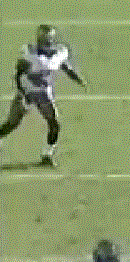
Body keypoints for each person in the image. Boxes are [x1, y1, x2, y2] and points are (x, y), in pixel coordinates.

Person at [0, 24, 86, 166]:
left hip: (44, 95)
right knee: (11, 124)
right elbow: (18, 74)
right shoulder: (30, 54)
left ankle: (47, 155)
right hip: (28, 93)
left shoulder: (58, 52)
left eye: (49, 38)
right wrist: (23, 93)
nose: (48, 41)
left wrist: (77, 78)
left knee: (54, 123)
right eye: (45, 38)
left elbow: (64, 66)